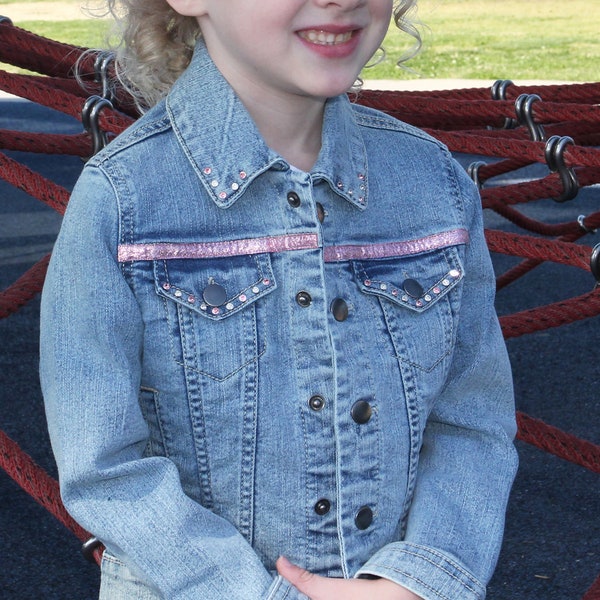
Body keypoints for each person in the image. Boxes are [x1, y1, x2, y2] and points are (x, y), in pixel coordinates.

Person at [40, 0, 518, 598]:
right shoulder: (125, 200)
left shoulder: (433, 185)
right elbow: (104, 467)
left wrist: (419, 578)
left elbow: (473, 419)